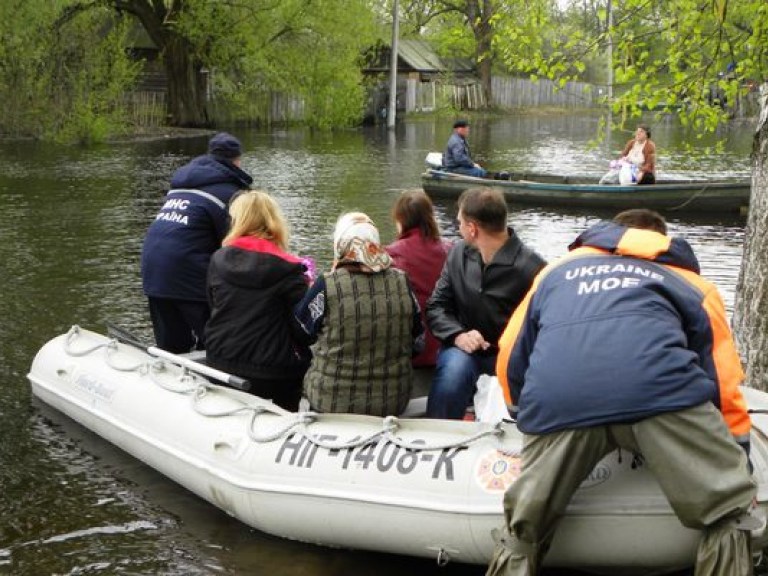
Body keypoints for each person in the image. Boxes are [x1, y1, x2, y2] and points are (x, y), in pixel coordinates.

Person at [487, 209, 755, 576]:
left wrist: (525, 413)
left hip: (563, 398)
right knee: (727, 513)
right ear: (661, 242)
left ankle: (517, 555)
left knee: (523, 526)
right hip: (661, 397)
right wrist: (736, 455)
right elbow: (721, 380)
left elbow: (510, 355)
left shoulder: (554, 272)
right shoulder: (692, 284)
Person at [426, 188, 545, 419]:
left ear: (472, 229)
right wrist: (458, 335)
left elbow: (543, 327)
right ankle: (438, 436)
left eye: (459, 222)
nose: (458, 227)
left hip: (511, 356)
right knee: (453, 375)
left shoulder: (532, 268)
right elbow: (437, 306)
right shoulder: (458, 254)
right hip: (462, 347)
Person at [294, 212, 424, 417]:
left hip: (330, 401)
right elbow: (417, 339)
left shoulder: (327, 285)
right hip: (391, 402)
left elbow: (300, 330)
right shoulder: (402, 282)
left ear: (341, 244)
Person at [141, 132, 253, 353]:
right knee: (218, 342)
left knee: (172, 348)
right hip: (190, 275)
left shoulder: (179, 186)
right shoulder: (230, 193)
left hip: (153, 272)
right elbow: (238, 246)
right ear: (237, 161)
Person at [204, 190, 312, 411]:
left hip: (221, 361)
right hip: (275, 372)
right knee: (297, 370)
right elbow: (303, 329)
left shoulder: (217, 260)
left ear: (237, 221)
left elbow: (213, 306)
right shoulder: (291, 269)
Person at [386, 189, 452, 368]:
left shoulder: (391, 254)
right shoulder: (451, 250)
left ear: (401, 220)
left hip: (410, 350)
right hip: (447, 345)